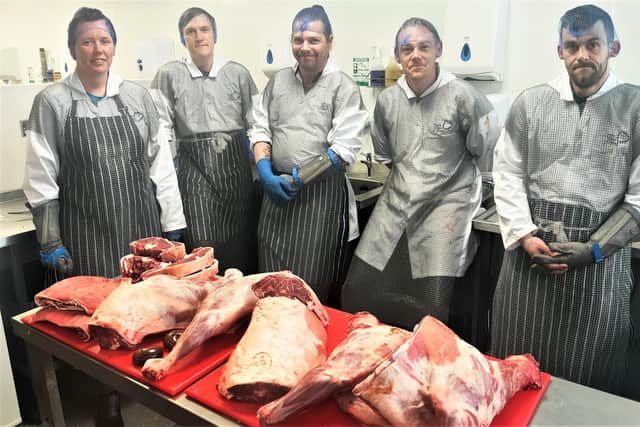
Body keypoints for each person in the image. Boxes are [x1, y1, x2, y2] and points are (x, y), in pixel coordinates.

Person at [23, 7, 186, 425]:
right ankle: (106, 402)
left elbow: (160, 166)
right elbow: (41, 176)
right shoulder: (53, 102)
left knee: (147, 312)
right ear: (73, 48)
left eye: (105, 40)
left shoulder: (138, 98)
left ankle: (152, 389)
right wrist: (49, 239)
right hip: (87, 229)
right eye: (87, 41)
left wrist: (174, 226)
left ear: (115, 46)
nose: (97, 49)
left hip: (141, 227)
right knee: (99, 323)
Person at [490, 4, 638, 395]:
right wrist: (523, 234)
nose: (582, 55)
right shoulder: (531, 103)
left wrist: (594, 250)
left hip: (599, 266)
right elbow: (506, 174)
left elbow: (639, 201)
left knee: (586, 384)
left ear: (614, 47)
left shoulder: (635, 108)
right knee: (515, 373)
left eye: (593, 44)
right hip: (529, 258)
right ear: (560, 50)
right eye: (572, 46)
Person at [341, 17, 500, 331]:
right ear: (398, 55)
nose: (416, 55)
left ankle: (423, 364)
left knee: (432, 307)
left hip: (446, 207)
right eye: (407, 48)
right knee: (358, 291)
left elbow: (487, 151)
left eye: (424, 47)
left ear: (438, 49)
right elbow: (386, 156)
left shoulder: (466, 98)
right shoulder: (387, 101)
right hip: (396, 203)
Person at [249, 4, 367, 303]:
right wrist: (265, 172)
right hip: (275, 198)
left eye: (314, 40)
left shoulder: (343, 87)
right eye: (298, 40)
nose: (305, 47)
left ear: (329, 41)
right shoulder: (277, 82)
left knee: (309, 293)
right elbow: (260, 128)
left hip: (321, 201)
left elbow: (343, 149)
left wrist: (299, 180)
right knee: (271, 286)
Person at [150, 7, 260, 273]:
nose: (198, 36)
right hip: (194, 174)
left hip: (237, 175)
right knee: (202, 248)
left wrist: (260, 164)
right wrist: (169, 165)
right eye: (190, 32)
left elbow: (257, 123)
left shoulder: (238, 73)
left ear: (215, 34)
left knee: (241, 246)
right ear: (182, 40)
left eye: (204, 29)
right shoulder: (169, 75)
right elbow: (159, 127)